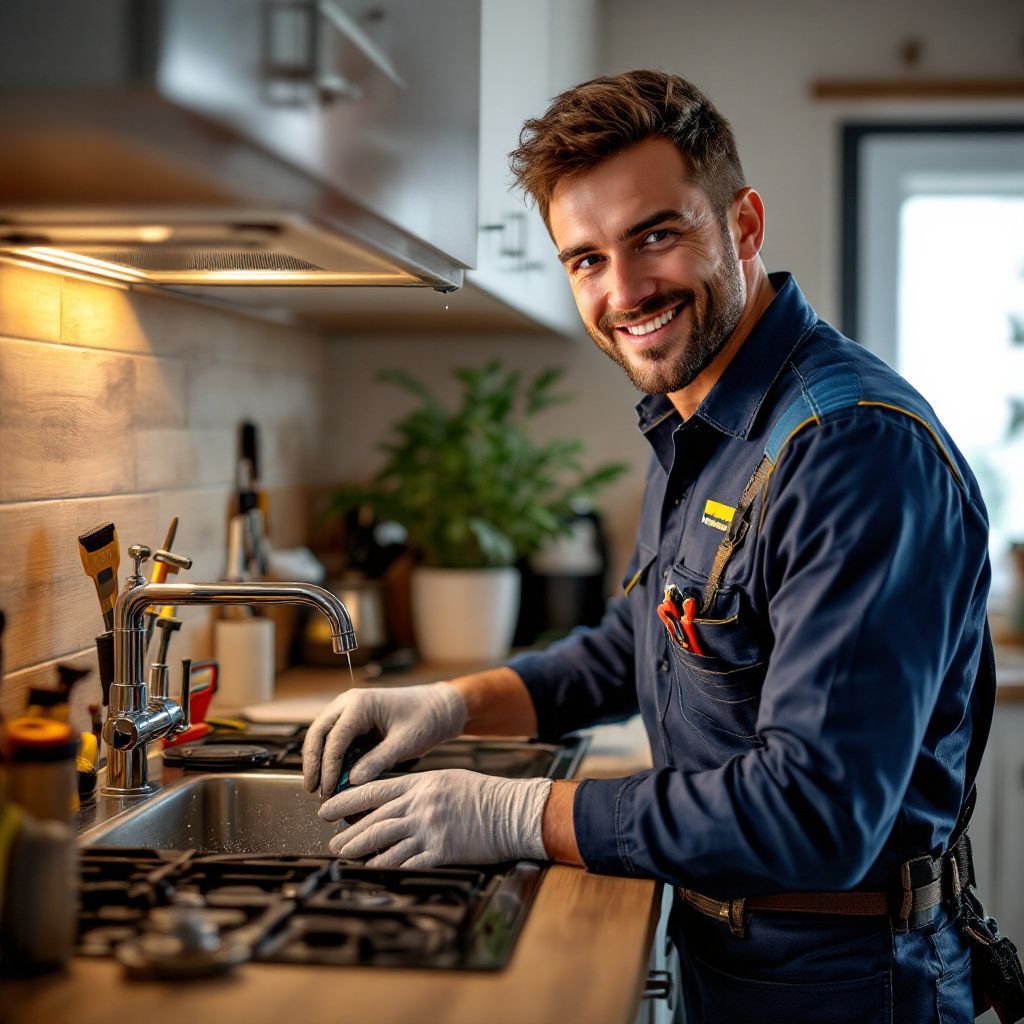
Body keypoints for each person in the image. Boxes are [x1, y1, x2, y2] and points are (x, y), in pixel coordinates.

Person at [303, 70, 1001, 1022]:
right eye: (584, 258)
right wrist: (454, 703)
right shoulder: (704, 419)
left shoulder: (847, 449)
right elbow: (650, 637)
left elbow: (816, 814)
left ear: (743, 225)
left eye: (656, 236)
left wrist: (514, 815)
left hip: (846, 979)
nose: (623, 290)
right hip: (734, 951)